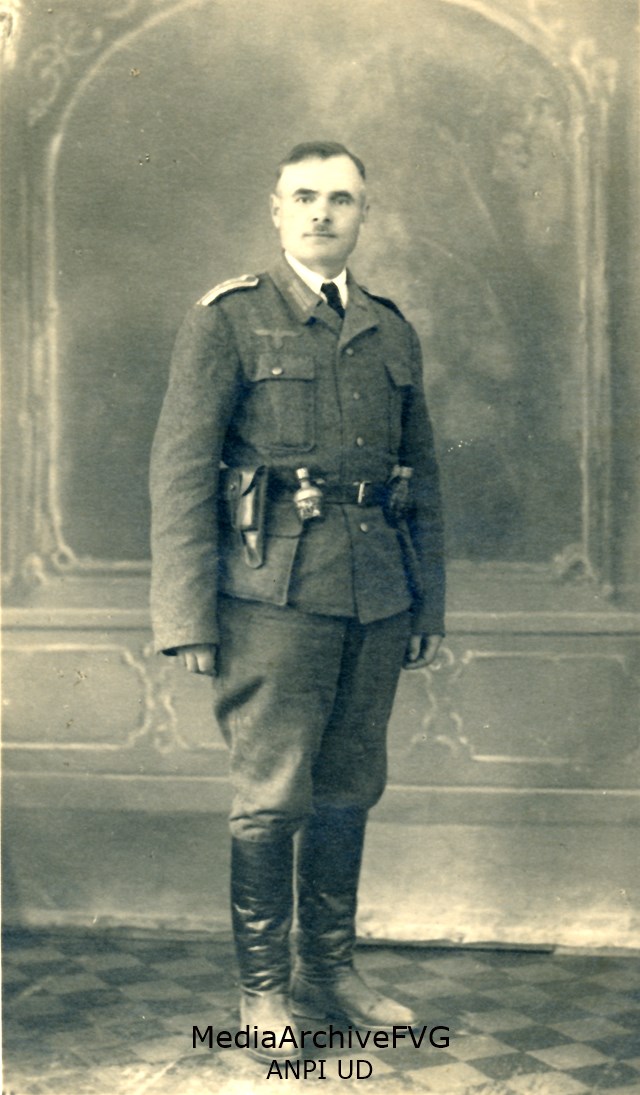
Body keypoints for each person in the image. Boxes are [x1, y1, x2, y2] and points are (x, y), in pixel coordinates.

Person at [150, 141, 445, 1059]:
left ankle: (328, 970)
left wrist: (426, 604)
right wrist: (187, 617)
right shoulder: (229, 318)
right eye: (305, 196)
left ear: (364, 214)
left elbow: (423, 477)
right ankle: (263, 990)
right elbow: (181, 473)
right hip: (270, 594)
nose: (323, 213)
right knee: (273, 797)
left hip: (377, 594)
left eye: (341, 199)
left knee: (349, 788)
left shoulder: (390, 328)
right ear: (276, 209)